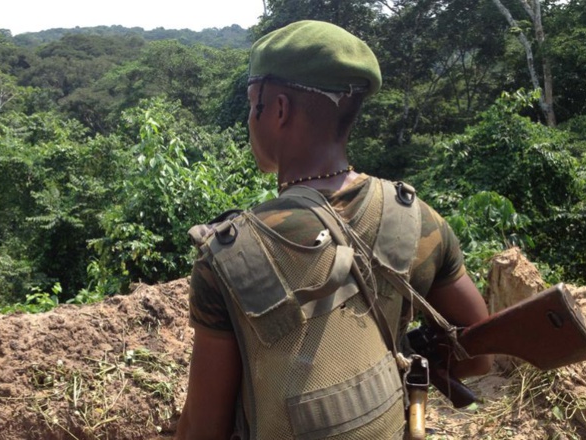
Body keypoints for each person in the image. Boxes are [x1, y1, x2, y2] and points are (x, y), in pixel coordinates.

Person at [175, 20, 492, 440]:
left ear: (279, 110)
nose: (251, 117)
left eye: (254, 103)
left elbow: (203, 430)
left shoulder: (232, 253)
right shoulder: (415, 218)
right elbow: (478, 356)